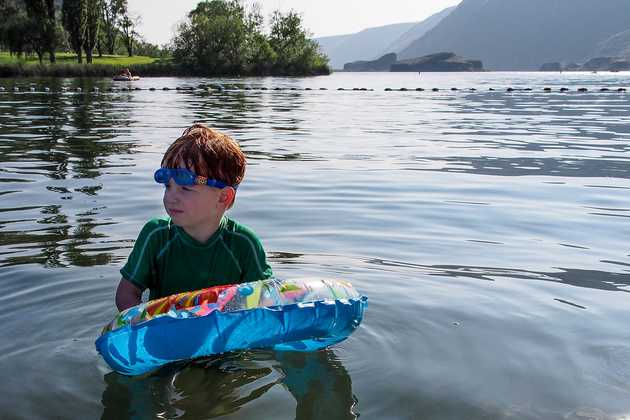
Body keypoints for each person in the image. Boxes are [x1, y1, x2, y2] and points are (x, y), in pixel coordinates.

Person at [115, 123, 274, 312]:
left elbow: (266, 299)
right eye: (168, 186)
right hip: (166, 334)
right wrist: (147, 324)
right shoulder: (156, 235)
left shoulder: (244, 244)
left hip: (223, 335)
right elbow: (127, 294)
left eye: (185, 188)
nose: (170, 197)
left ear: (223, 197)